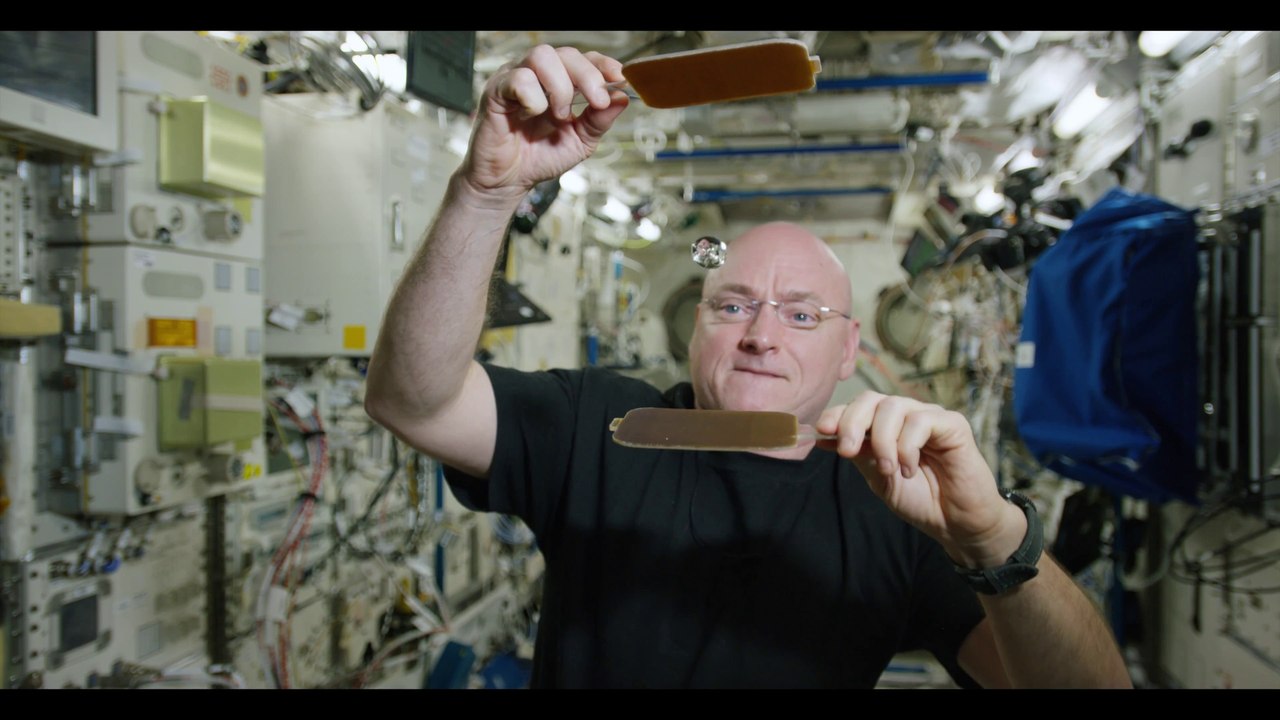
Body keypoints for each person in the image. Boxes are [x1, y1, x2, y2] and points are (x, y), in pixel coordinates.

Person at [365, 44, 1133, 688]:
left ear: (849, 349)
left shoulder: (900, 503)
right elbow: (414, 402)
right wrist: (487, 192)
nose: (762, 335)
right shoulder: (604, 427)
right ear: (695, 328)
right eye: (733, 305)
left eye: (802, 315)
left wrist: (993, 537)